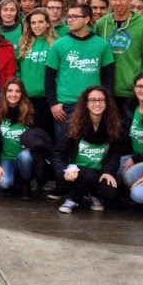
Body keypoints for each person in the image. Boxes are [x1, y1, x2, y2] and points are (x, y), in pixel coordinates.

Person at [45, 2, 115, 197]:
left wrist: (105, 104)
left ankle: (87, 188)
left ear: (87, 19)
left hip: (93, 106)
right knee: (63, 147)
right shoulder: (59, 44)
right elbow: (49, 76)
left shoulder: (102, 45)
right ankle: (63, 184)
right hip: (65, 106)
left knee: (86, 148)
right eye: (69, 16)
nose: (70, 19)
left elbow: (108, 78)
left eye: (75, 16)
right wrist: (52, 103)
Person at [55, 86, 122, 214]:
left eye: (101, 100)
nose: (97, 103)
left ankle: (93, 194)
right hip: (75, 172)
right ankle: (72, 199)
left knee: (110, 193)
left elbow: (115, 154)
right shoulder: (71, 124)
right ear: (86, 103)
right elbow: (59, 153)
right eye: (92, 100)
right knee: (89, 176)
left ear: (107, 103)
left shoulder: (114, 125)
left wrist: (108, 171)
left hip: (99, 171)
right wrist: (62, 172)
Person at [93, 0, 143, 107]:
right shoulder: (101, 23)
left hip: (134, 90)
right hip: (107, 89)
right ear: (110, 0)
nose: (118, 3)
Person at [0, 78, 36, 199]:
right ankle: (14, 181)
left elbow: (37, 137)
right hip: (6, 157)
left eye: (17, 91)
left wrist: (31, 145)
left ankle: (26, 184)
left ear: (22, 94)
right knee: (4, 184)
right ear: (5, 93)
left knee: (25, 156)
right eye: (10, 91)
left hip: (24, 156)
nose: (13, 94)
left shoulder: (30, 112)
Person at [17, 8, 57, 139]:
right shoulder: (23, 43)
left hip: (47, 99)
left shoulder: (55, 44)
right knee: (29, 136)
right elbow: (17, 68)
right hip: (26, 99)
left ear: (48, 24)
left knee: (46, 136)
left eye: (40, 22)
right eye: (33, 23)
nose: (37, 26)